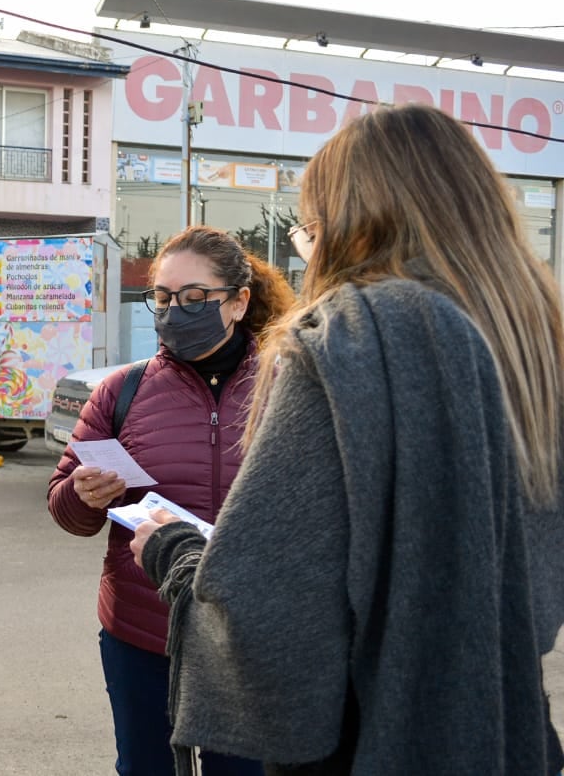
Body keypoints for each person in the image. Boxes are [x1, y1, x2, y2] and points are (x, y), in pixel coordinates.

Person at [132, 104, 564, 775]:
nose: (308, 243)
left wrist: (173, 552)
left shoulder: (348, 339)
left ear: (346, 218)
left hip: (368, 742)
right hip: (506, 733)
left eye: (308, 223)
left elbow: (264, 610)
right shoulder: (539, 343)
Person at [48, 226, 295, 776]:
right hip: (143, 633)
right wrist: (83, 495)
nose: (173, 310)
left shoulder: (287, 386)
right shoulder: (122, 390)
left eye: (192, 298)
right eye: (161, 297)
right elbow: (64, 506)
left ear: (238, 302)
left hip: (250, 637)